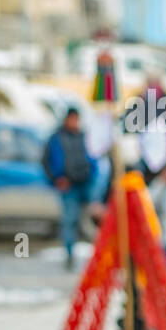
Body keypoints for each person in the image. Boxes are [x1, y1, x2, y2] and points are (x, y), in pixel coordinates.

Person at [41, 107, 98, 270]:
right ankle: (69, 255)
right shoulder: (56, 138)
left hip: (86, 184)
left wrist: (92, 177)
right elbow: (46, 162)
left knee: (90, 221)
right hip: (68, 186)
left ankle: (95, 257)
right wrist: (56, 179)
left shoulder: (84, 136)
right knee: (69, 221)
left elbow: (94, 158)